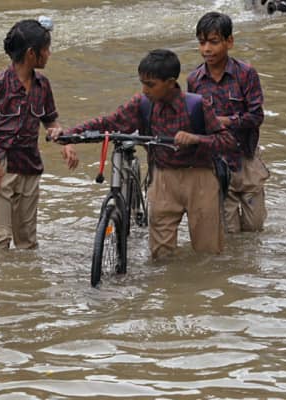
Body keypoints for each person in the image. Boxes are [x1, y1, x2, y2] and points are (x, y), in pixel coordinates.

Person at [49, 49, 236, 258]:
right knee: (160, 254)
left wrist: (196, 139)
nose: (144, 89)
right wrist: (69, 134)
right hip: (163, 180)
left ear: (171, 82)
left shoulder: (197, 105)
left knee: (209, 253)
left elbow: (227, 141)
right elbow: (109, 123)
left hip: (200, 179)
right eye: (142, 83)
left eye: (151, 84)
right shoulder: (142, 104)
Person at [0, 17, 79, 254]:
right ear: (32, 54)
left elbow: (50, 119)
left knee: (28, 240)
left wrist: (64, 141)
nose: (49, 54)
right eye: (46, 49)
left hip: (30, 165)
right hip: (0, 167)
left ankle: (25, 285)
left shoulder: (43, 85)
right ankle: (2, 287)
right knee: (1, 239)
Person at [187, 11, 269, 233]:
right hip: (216, 163)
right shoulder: (194, 80)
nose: (206, 49)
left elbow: (256, 116)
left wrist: (224, 121)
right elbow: (194, 123)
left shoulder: (246, 74)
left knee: (254, 226)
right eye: (202, 43)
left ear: (229, 41)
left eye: (213, 42)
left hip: (246, 158)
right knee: (229, 232)